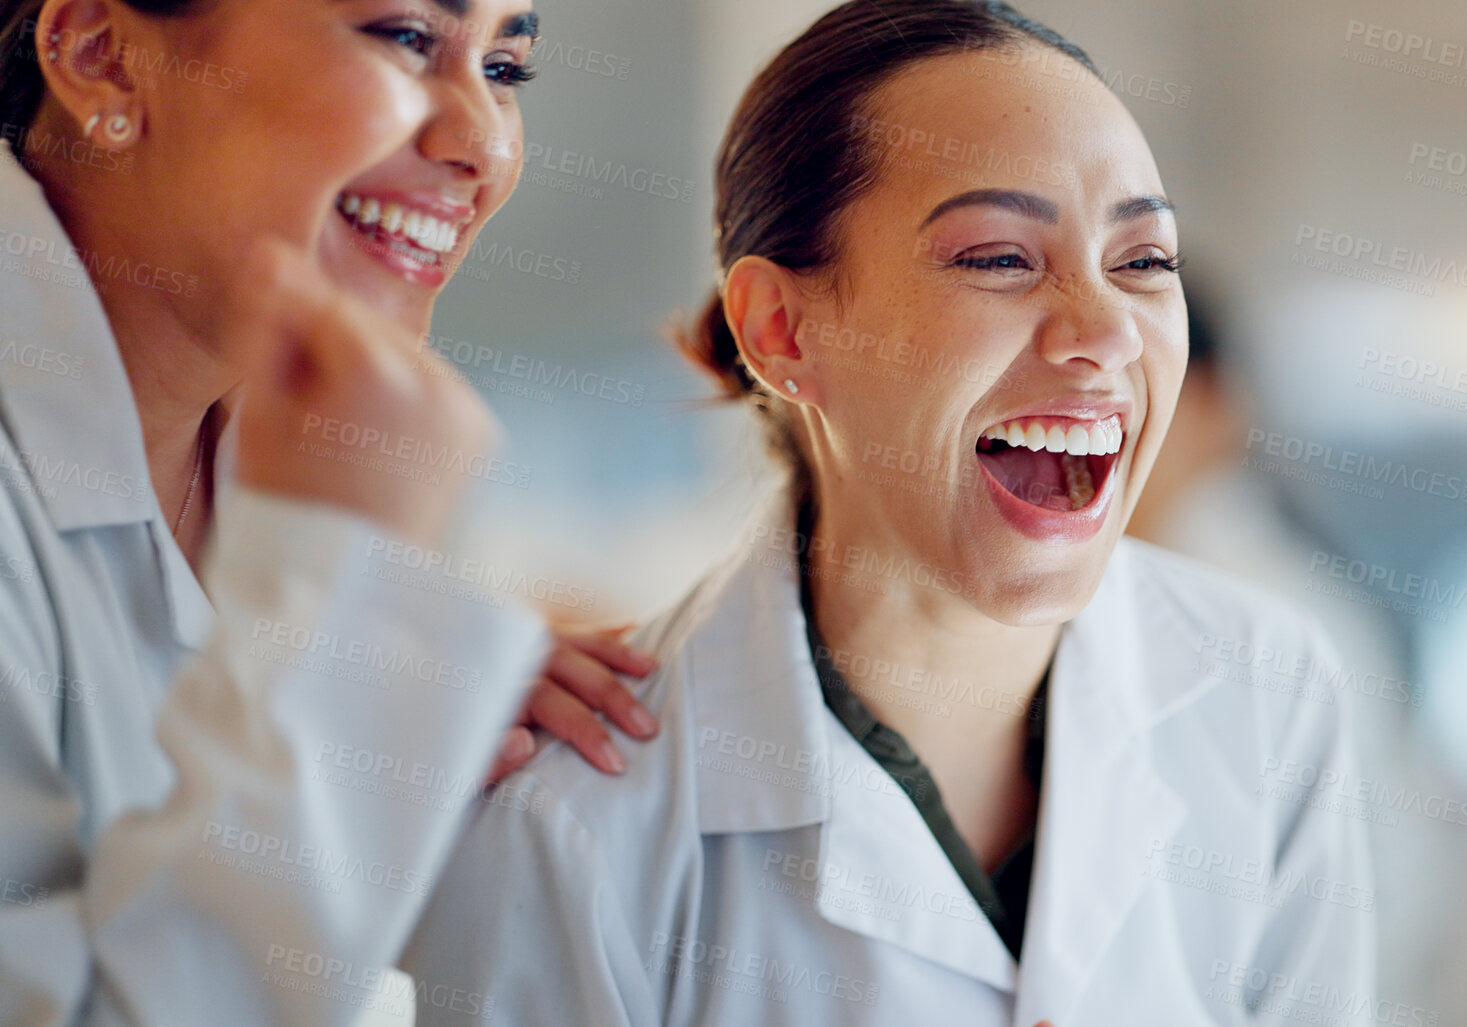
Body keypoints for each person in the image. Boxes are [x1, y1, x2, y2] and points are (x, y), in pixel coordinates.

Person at [403, 0, 1376, 1023]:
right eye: (998, 257)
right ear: (780, 331)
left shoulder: (1271, 693)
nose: (1106, 334)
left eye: (1143, 262)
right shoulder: (568, 820)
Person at [0, 0, 657, 1021]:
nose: (480, 141)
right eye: (405, 38)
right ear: (102, 57)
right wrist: (347, 639)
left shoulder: (310, 447)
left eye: (507, 67)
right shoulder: (348, 508)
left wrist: (408, 724)